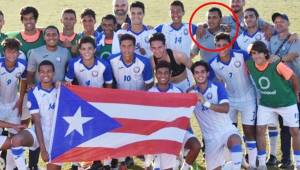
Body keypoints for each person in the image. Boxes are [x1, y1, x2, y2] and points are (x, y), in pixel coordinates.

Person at [247, 41, 300, 170]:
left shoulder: (276, 64)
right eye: (253, 53)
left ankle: (298, 163)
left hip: (287, 102)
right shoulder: (249, 65)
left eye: (259, 52)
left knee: (294, 131)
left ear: (265, 54)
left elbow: (293, 77)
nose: (256, 56)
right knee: (260, 130)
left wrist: (297, 93)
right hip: (266, 104)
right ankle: (262, 164)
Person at [209, 32, 257, 168]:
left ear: (230, 45)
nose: (222, 48)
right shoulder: (212, 64)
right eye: (218, 45)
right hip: (230, 101)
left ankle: (252, 165)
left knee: (248, 131)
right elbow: (215, 85)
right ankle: (237, 161)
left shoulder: (242, 55)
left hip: (248, 99)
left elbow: (255, 70)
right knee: (230, 132)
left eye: (225, 45)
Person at [146, 60, 201, 170]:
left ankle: (184, 167)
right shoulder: (150, 93)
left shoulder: (177, 92)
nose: (163, 75)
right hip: (159, 134)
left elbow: (184, 115)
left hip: (178, 130)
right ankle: (153, 161)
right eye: (160, 73)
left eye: (166, 73)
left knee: (196, 146)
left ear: (170, 74)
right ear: (156, 74)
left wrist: (188, 130)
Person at [188, 61, 243, 170]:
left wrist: (205, 102)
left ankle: (238, 164)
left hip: (226, 130)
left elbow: (225, 108)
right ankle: (237, 164)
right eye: (197, 73)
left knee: (235, 140)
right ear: (193, 75)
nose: (200, 75)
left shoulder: (217, 86)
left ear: (208, 73)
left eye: (203, 72)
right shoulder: (190, 93)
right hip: (210, 138)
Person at [10, 60, 62, 170]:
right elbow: (37, 122)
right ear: (38, 74)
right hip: (38, 130)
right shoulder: (33, 92)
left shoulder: (61, 90)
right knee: (16, 140)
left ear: (54, 73)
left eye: (49, 71)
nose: (45, 74)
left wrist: (63, 85)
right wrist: (43, 149)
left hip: (56, 136)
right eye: (42, 72)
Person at [267, 12, 300, 168]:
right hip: (279, 88)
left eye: (282, 21)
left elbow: (294, 54)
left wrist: (279, 59)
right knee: (285, 126)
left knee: (295, 126)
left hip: (295, 86)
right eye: (276, 22)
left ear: (288, 23)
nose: (278, 24)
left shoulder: (295, 39)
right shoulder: (272, 39)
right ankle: (286, 159)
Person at [0, 38, 28, 170]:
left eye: (14, 52)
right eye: (8, 52)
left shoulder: (22, 65)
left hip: (13, 105)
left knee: (16, 140)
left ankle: (11, 168)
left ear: (18, 53)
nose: (11, 55)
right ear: (4, 52)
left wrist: (20, 100)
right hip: (0, 105)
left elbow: (24, 82)